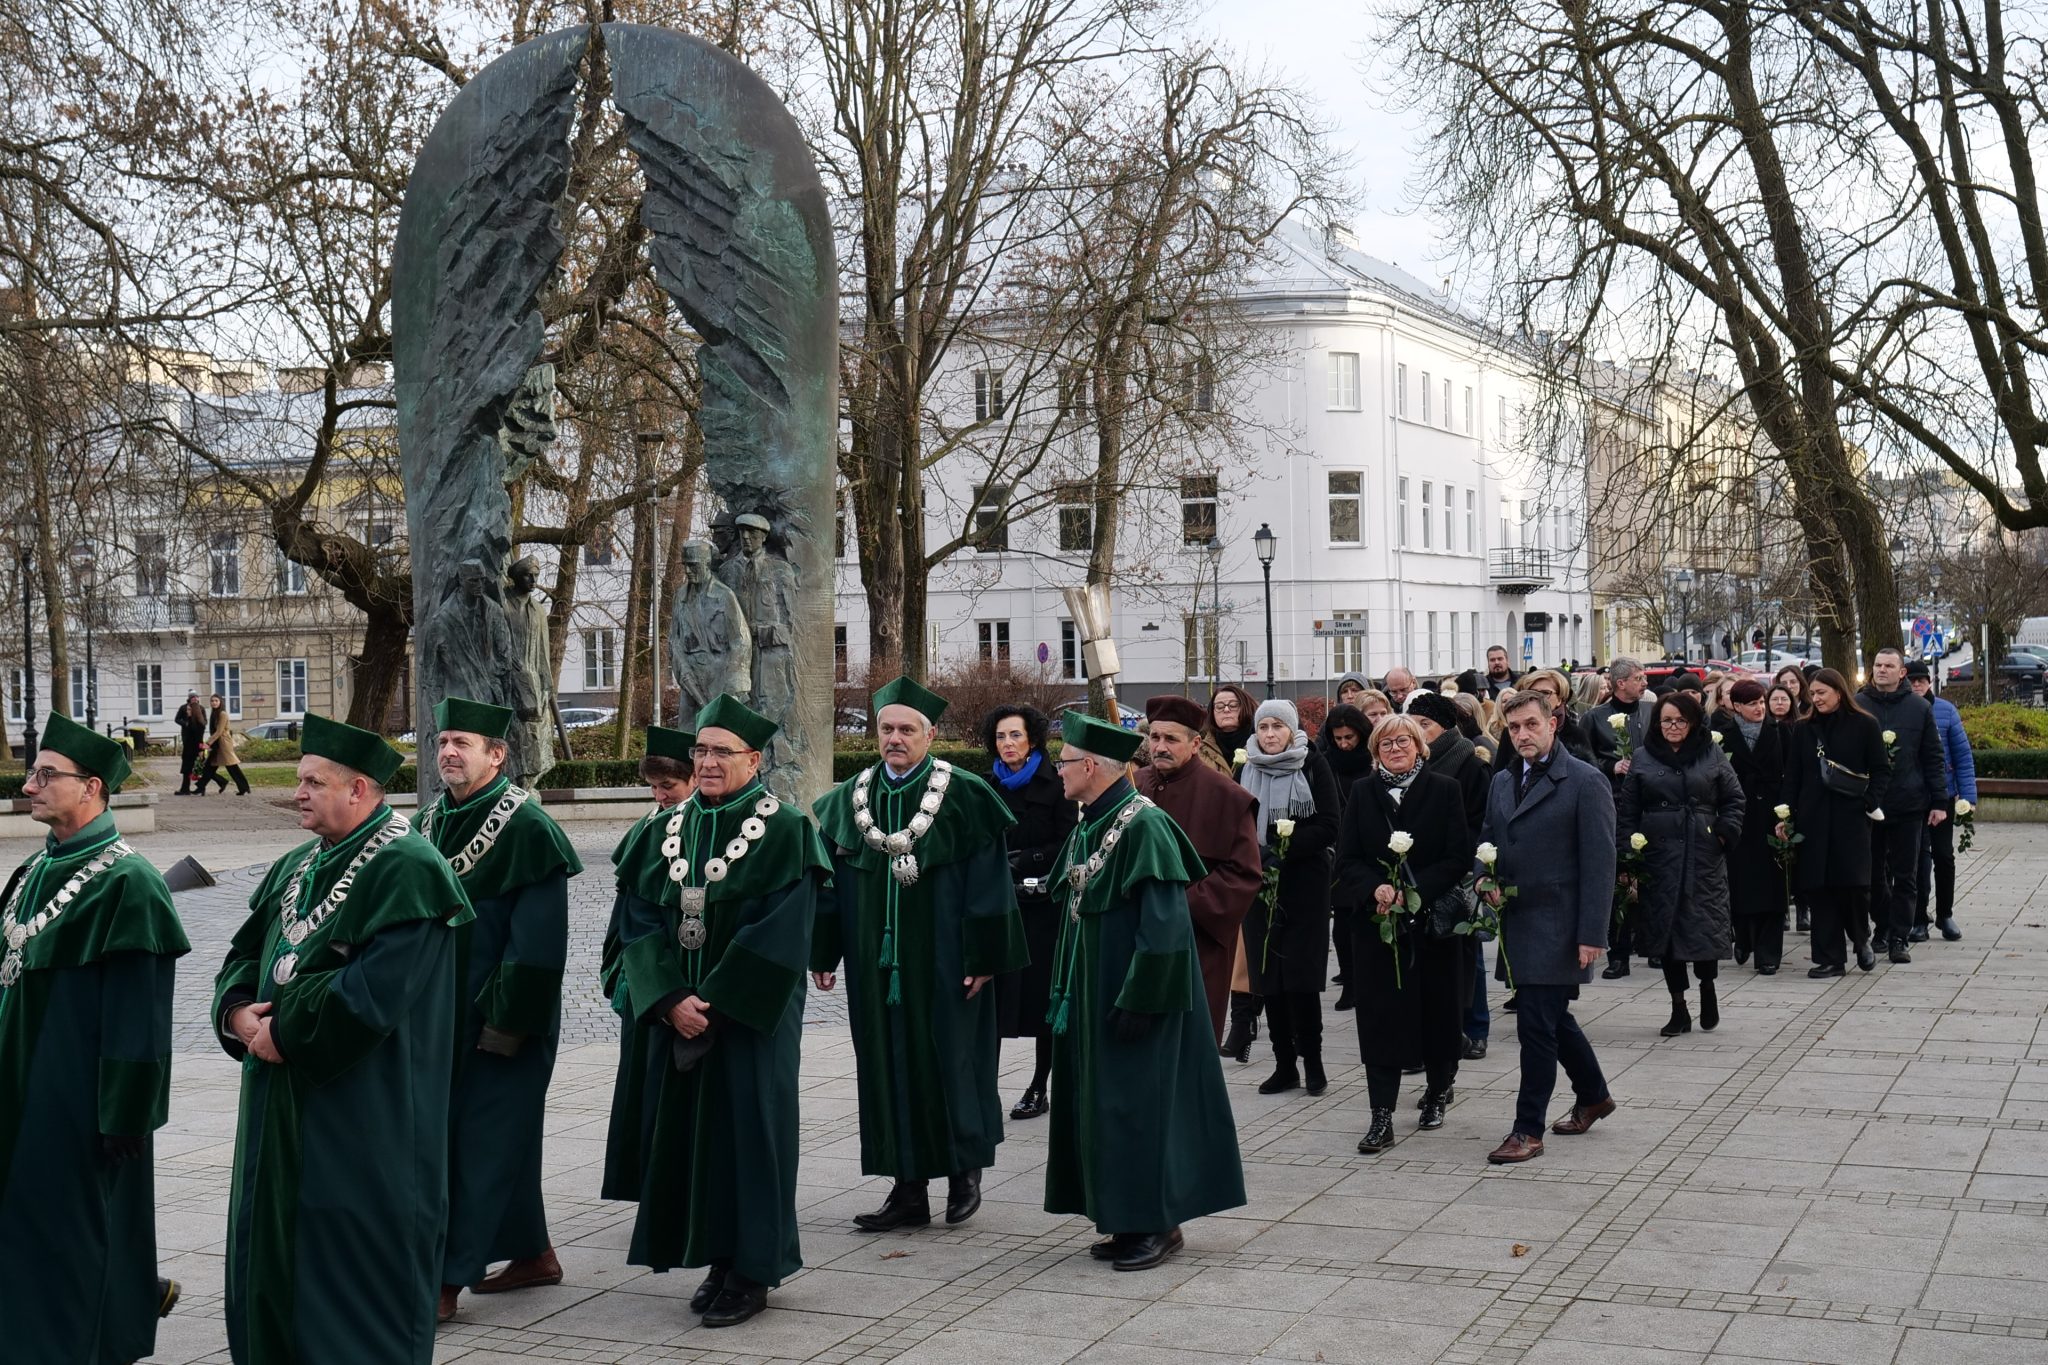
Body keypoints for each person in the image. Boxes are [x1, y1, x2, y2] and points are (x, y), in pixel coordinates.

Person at [213, 714, 473, 1363]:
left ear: (359, 789)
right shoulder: (300, 861)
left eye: (312, 781)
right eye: (299, 778)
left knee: (348, 1290)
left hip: (364, 1113)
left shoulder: (409, 866)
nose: (298, 791)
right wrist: (240, 1012)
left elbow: (375, 992)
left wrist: (284, 1028)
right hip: (278, 1107)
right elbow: (245, 955)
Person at [608, 695, 827, 1328]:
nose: (705, 762)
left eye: (720, 752)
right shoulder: (661, 830)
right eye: (699, 750)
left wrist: (717, 1007)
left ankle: (754, 1270)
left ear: (753, 760)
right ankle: (715, 1256)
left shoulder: (786, 830)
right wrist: (670, 998)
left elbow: (782, 931)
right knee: (692, 1138)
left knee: (750, 1133)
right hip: (678, 1013)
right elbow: (639, 919)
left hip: (750, 1019)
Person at [0, 713, 189, 1362]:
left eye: (48, 774)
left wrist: (126, 1115)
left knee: (72, 1238)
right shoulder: (30, 873)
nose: (31, 785)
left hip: (79, 1103)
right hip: (19, 1092)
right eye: (33, 772)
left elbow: (141, 1016)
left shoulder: (128, 883)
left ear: (94, 788)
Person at [813, 677, 1026, 1234]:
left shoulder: (967, 796)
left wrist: (984, 956)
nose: (895, 739)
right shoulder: (849, 800)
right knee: (886, 1068)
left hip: (948, 962)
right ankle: (906, 1187)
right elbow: (832, 886)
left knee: (951, 1060)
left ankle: (964, 1173)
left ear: (931, 733)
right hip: (874, 967)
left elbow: (989, 884)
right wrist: (824, 950)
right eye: (887, 729)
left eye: (907, 729)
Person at [1041, 710, 1246, 1271]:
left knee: (1143, 1108)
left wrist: (1142, 998)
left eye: (1063, 764)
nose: (1057, 773)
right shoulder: (1091, 820)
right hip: (1095, 994)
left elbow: (1165, 926)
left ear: (1089, 766)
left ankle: (1158, 1223)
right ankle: (1123, 1215)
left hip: (1135, 999)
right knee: (1109, 1107)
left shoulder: (1143, 825)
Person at [425, 698, 582, 1324]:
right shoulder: (432, 821)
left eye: (463, 742)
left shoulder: (528, 828)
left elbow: (539, 947)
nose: (448, 753)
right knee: (488, 1138)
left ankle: (446, 1279)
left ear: (498, 754)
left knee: (481, 1144)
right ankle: (534, 1254)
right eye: (441, 741)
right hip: (444, 1019)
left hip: (505, 1022)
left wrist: (506, 1025)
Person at [1481, 691, 1617, 1165]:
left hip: (1561, 926)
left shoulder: (1585, 781)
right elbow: (1487, 841)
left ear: (1553, 723)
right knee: (1551, 1020)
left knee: (1535, 1026)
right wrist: (1484, 880)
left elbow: (1601, 864)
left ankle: (1527, 1130)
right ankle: (1594, 1095)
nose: (1522, 734)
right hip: (1517, 923)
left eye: (1531, 725)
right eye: (1513, 727)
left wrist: (1592, 935)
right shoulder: (1501, 781)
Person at [1337, 713, 1475, 1151]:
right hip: (1377, 927)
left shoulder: (1444, 790)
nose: (1395, 749)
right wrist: (1375, 887)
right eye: (1385, 744)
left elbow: (1457, 857)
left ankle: (1437, 1091)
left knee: (1438, 1012)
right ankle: (1381, 1115)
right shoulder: (1363, 792)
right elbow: (1347, 858)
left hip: (1429, 923)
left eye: (1403, 741)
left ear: (1420, 746)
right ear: (1375, 752)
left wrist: (1412, 892)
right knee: (1380, 1019)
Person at [598, 725, 695, 1208]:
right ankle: (642, 1181)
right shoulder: (647, 827)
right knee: (639, 1080)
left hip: (677, 974)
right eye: (654, 788)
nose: (660, 797)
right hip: (640, 971)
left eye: (669, 787)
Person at [1134, 695, 1262, 1047]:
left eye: (1171, 739)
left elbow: (1243, 874)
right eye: (1155, 737)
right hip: (1136, 939)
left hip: (1196, 941)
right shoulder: (1134, 786)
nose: (1160, 747)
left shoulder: (1227, 797)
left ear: (1195, 744)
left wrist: (1178, 903)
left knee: (1189, 1044)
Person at [1619, 692, 1743, 1036]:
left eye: (1680, 720)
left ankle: (1707, 989)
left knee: (1703, 927)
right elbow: (1627, 811)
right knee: (1666, 932)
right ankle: (1678, 1007)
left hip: (1702, 853)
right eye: (1666, 720)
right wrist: (1627, 854)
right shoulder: (1643, 757)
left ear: (1693, 722)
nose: (1673, 727)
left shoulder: (1711, 753)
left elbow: (1734, 798)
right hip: (1657, 855)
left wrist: (1722, 833)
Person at [1236, 700, 1339, 1097]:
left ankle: (1313, 1062)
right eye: (1263, 727)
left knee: (1300, 980)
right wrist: (1254, 854)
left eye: (1278, 726)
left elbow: (1330, 824)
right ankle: (1284, 1065)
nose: (1270, 735)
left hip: (1304, 885)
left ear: (1292, 729)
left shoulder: (1312, 764)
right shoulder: (1245, 769)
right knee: (1269, 979)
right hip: (1260, 885)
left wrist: (1286, 845)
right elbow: (1235, 825)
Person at [983, 703, 1077, 1120]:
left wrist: (1029, 858)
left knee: (1042, 998)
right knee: (992, 997)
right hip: (1001, 906)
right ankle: (984, 1086)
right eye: (1001, 737)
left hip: (1043, 908)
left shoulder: (1056, 785)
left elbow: (1069, 841)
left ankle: (1039, 1086)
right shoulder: (987, 785)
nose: (1007, 744)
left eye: (1015, 736)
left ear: (1033, 739)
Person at [1779, 668, 1890, 977]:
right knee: (1820, 888)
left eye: (1821, 693)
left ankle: (1860, 937)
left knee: (1853, 886)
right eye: (1812, 694)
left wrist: (1869, 801)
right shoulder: (1804, 729)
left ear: (1839, 693)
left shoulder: (1864, 725)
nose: (1815, 699)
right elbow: (1793, 776)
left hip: (1850, 818)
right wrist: (1786, 814)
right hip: (1812, 820)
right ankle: (1830, 958)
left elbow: (1881, 770)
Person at [1859, 648, 1947, 964]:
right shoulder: (1858, 705)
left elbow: (1933, 757)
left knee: (1905, 874)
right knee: (1871, 875)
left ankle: (1899, 937)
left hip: (1908, 804)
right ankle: (1882, 924)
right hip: (1869, 804)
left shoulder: (1918, 708)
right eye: (1877, 665)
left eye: (1889, 665)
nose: (1881, 670)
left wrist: (1939, 800)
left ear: (1901, 672)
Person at [1713, 679, 1791, 974]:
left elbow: (1791, 771)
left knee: (1772, 883)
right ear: (1736, 706)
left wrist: (1786, 812)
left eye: (1762, 702)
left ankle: (1769, 953)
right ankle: (1744, 936)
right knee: (1741, 881)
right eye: (1752, 703)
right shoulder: (1721, 734)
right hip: (1738, 816)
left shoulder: (1780, 731)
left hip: (1771, 814)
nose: (1759, 708)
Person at [1584, 658, 1654, 977]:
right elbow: (1581, 760)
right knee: (1620, 881)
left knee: (1652, 877)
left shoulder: (1652, 714)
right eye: (1639, 678)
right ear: (1620, 682)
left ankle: (1655, 945)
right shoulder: (1594, 718)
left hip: (1650, 807)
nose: (1645, 683)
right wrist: (1610, 767)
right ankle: (1619, 953)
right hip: (1612, 806)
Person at [1909, 661, 1972, 942]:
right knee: (1916, 861)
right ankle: (1918, 917)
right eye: (1911, 681)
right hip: (1910, 798)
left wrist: (1968, 797)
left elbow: (1962, 756)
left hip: (1942, 796)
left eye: (1921, 680)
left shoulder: (1946, 711)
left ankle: (1945, 913)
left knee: (1944, 856)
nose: (1917, 685)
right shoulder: (1901, 711)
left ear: (1929, 682)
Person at [1317, 703, 1374, 1010]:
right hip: (1338, 848)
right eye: (1338, 737)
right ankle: (1349, 981)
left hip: (1369, 846)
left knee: (1365, 917)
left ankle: (1366, 979)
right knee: (1341, 920)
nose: (1344, 744)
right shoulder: (1326, 762)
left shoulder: (1373, 760)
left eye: (1349, 737)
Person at [199, 692, 251, 796]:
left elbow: (219, 731)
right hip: (217, 744)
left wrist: (208, 743)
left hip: (223, 744)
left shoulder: (222, 714)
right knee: (210, 766)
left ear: (220, 702)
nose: (214, 703)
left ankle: (244, 787)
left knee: (231, 767)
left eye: (216, 701)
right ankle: (201, 786)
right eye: (212, 701)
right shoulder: (215, 713)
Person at [1206, 684, 1257, 763]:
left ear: (1246, 707)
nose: (1226, 710)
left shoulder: (1261, 743)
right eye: (1219, 707)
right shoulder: (1201, 747)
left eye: (1233, 705)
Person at [176, 691, 207, 794]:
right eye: (192, 697)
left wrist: (201, 748)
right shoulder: (183, 708)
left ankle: (198, 787)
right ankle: (186, 788)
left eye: (196, 697)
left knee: (195, 767)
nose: (188, 710)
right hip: (190, 743)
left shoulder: (200, 711)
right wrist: (185, 723)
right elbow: (177, 719)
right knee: (190, 767)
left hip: (194, 744)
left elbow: (197, 729)